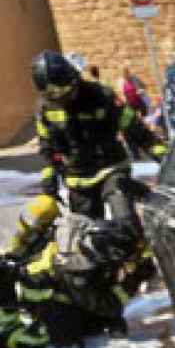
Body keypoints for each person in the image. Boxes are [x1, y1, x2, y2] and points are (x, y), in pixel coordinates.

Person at [31, 51, 166, 243]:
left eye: (64, 92)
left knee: (126, 222)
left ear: (73, 79)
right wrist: (49, 177)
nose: (61, 99)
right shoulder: (46, 110)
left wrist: (159, 152)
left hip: (111, 169)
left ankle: (139, 262)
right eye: (53, 95)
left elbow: (134, 127)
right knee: (88, 238)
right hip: (78, 179)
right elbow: (47, 147)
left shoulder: (101, 96)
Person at [0, 195, 154, 348]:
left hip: (51, 285)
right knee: (69, 339)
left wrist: (141, 257)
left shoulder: (82, 230)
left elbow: (125, 240)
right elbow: (110, 305)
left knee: (98, 303)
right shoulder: (77, 271)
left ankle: (94, 319)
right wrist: (135, 279)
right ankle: (33, 332)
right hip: (46, 302)